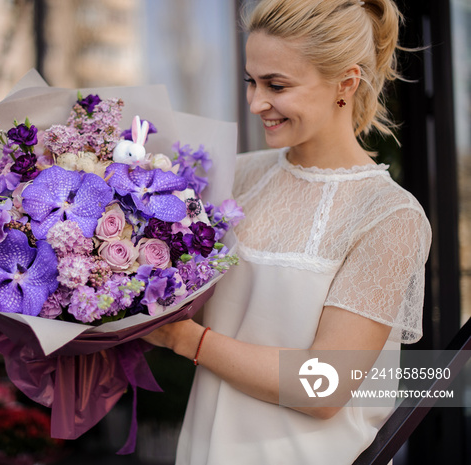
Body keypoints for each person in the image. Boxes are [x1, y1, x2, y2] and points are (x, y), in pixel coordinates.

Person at [142, 0, 432, 463]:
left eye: (276, 85)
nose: (257, 103)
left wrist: (183, 338)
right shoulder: (237, 176)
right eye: (251, 82)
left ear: (346, 83)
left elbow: (325, 387)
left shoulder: (389, 215)